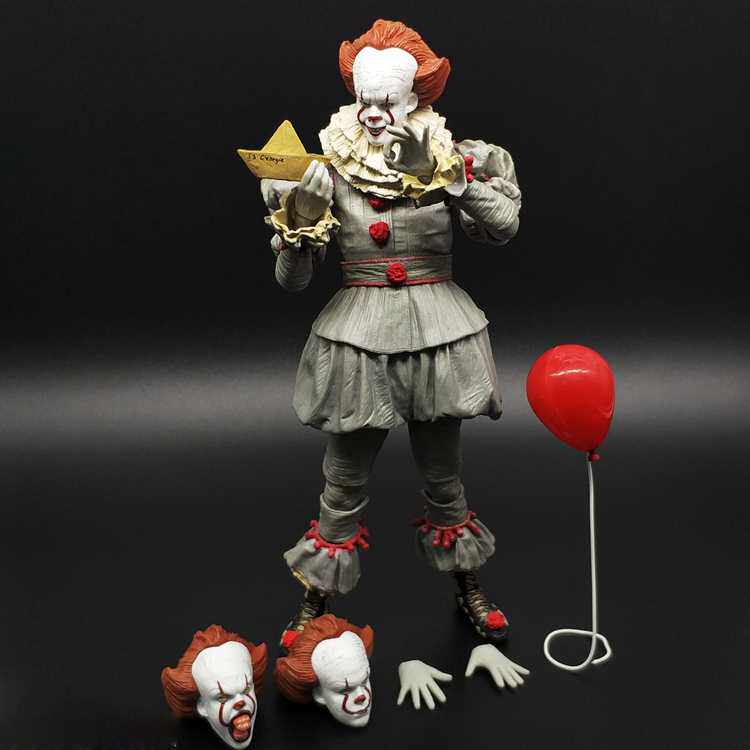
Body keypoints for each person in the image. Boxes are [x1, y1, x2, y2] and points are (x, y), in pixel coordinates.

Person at [260, 19, 522, 649]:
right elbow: (293, 280)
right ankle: (315, 597)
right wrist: (299, 220)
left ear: (414, 98)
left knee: (445, 476)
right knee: (342, 479)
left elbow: (504, 226)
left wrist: (451, 176)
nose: (374, 114)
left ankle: (468, 585)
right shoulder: (328, 167)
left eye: (388, 101)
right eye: (365, 101)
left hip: (437, 331)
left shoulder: (453, 153)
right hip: (360, 335)